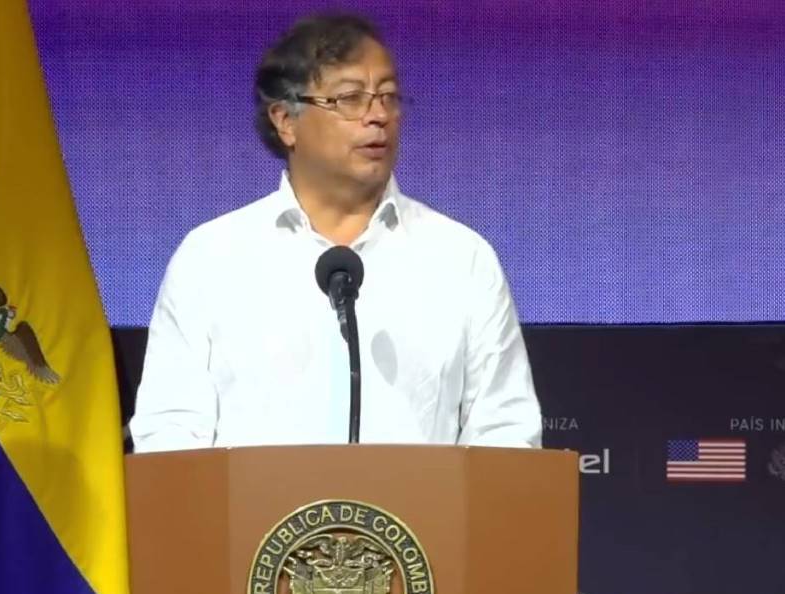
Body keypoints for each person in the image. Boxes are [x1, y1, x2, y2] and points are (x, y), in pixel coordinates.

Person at [130, 13, 542, 451]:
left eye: (388, 96)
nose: (378, 116)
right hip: (258, 501)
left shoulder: (461, 259)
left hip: (420, 501)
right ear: (285, 121)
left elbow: (507, 434)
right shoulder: (212, 259)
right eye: (350, 98)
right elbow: (169, 437)